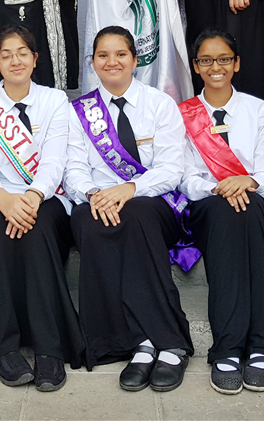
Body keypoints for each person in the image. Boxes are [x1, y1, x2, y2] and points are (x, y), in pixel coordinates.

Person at [178, 29, 264, 395]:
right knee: (231, 211)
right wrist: (220, 187)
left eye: (224, 59)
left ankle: (256, 345)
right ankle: (234, 344)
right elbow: (184, 177)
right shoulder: (182, 114)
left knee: (247, 209)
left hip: (253, 203)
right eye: (207, 60)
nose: (216, 67)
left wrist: (247, 181)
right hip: (205, 206)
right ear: (196, 66)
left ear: (236, 64)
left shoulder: (259, 110)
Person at [64, 26, 198, 393]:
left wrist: (130, 189)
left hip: (155, 201)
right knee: (88, 220)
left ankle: (169, 342)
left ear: (135, 60)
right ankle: (132, 342)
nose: (112, 62)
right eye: (103, 55)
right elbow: (73, 168)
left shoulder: (160, 104)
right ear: (93, 62)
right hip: (99, 199)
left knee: (136, 215)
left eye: (121, 54)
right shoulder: (79, 112)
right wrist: (94, 194)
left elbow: (171, 170)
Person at [0, 25, 82, 391]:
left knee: (40, 229)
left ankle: (49, 347)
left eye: (22, 53)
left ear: (35, 59)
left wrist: (31, 198)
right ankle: (2, 345)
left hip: (46, 196)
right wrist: (3, 200)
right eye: (6, 55)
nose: (15, 60)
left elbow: (55, 160)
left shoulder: (55, 100)